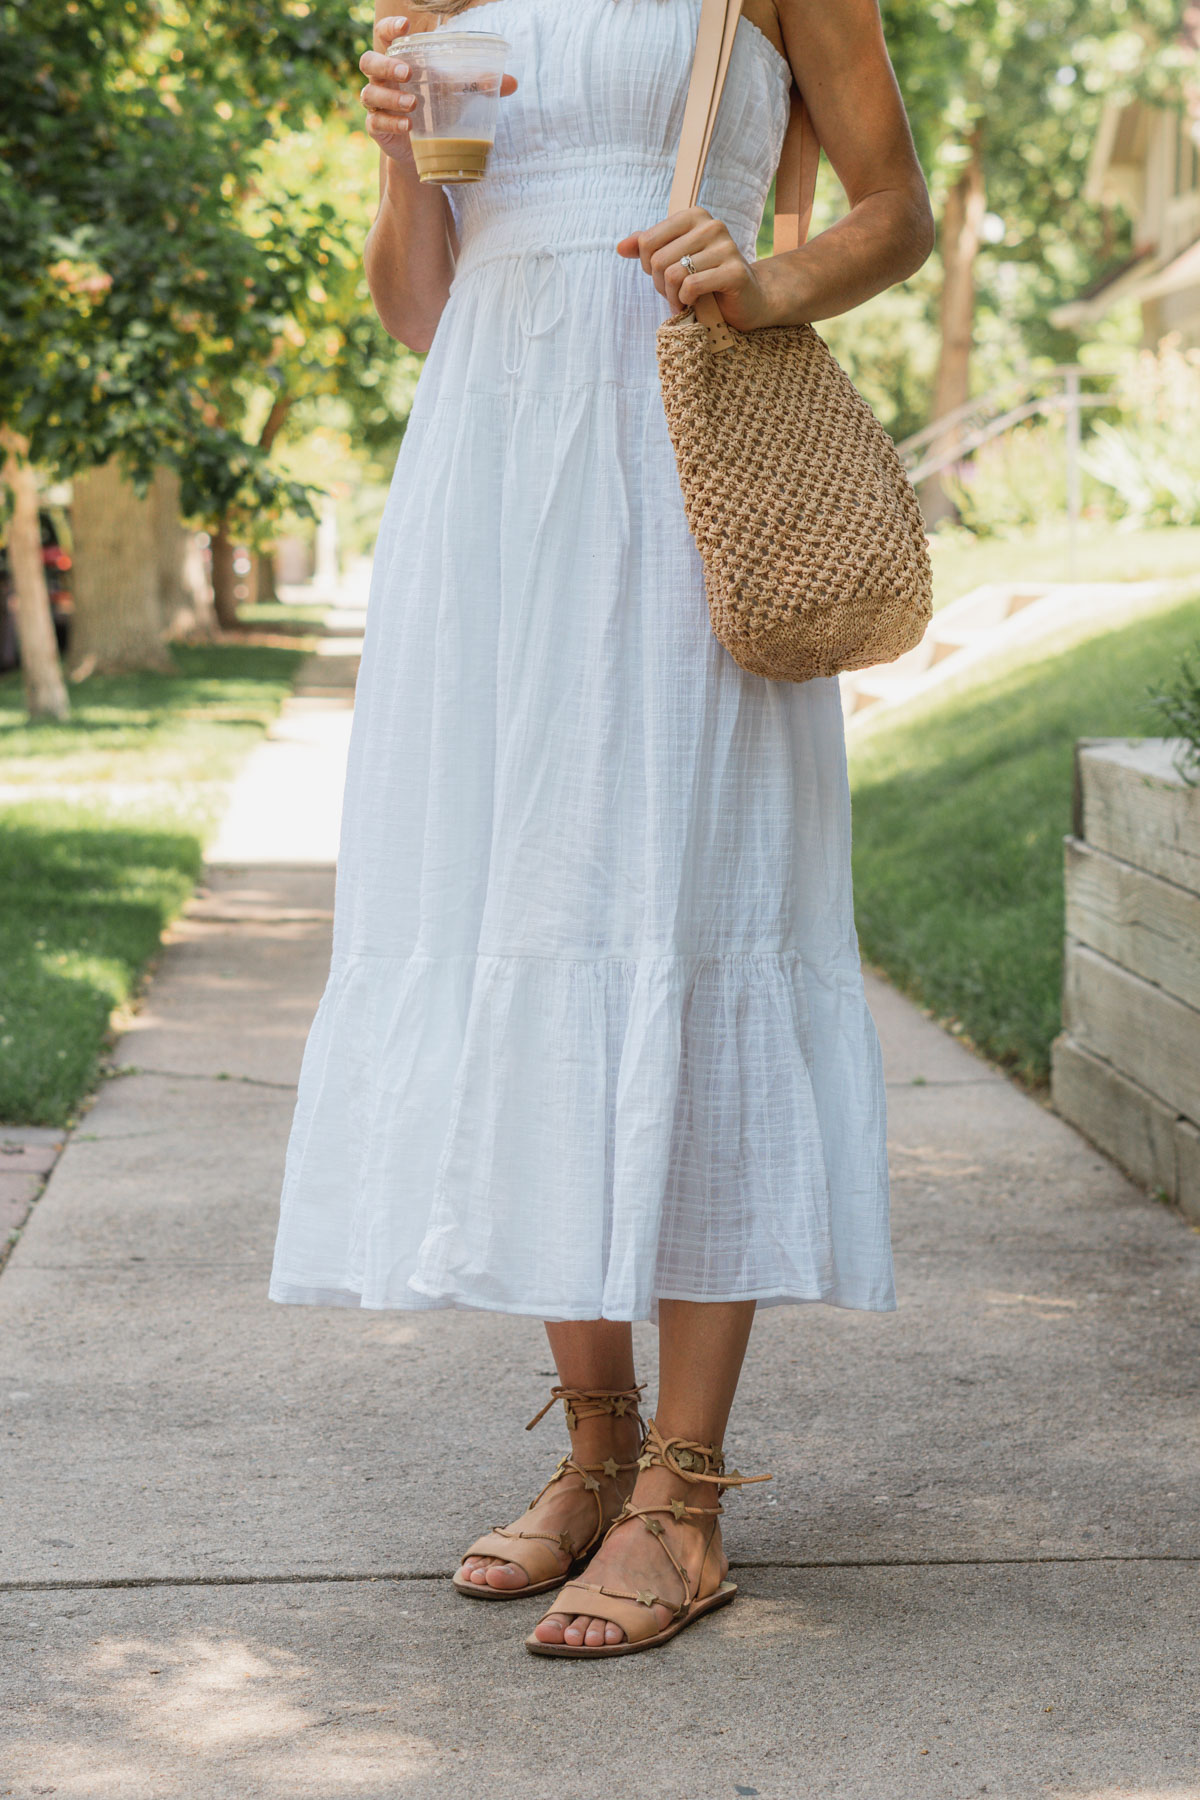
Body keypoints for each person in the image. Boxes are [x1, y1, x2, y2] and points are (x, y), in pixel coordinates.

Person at [270, 0, 932, 1658]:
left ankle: (687, 1499)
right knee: (532, 919)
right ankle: (596, 1449)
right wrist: (391, 160)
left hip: (676, 462)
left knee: (683, 911)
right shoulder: (439, 2)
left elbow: (893, 207)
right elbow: (427, 305)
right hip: (489, 479)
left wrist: (765, 277)